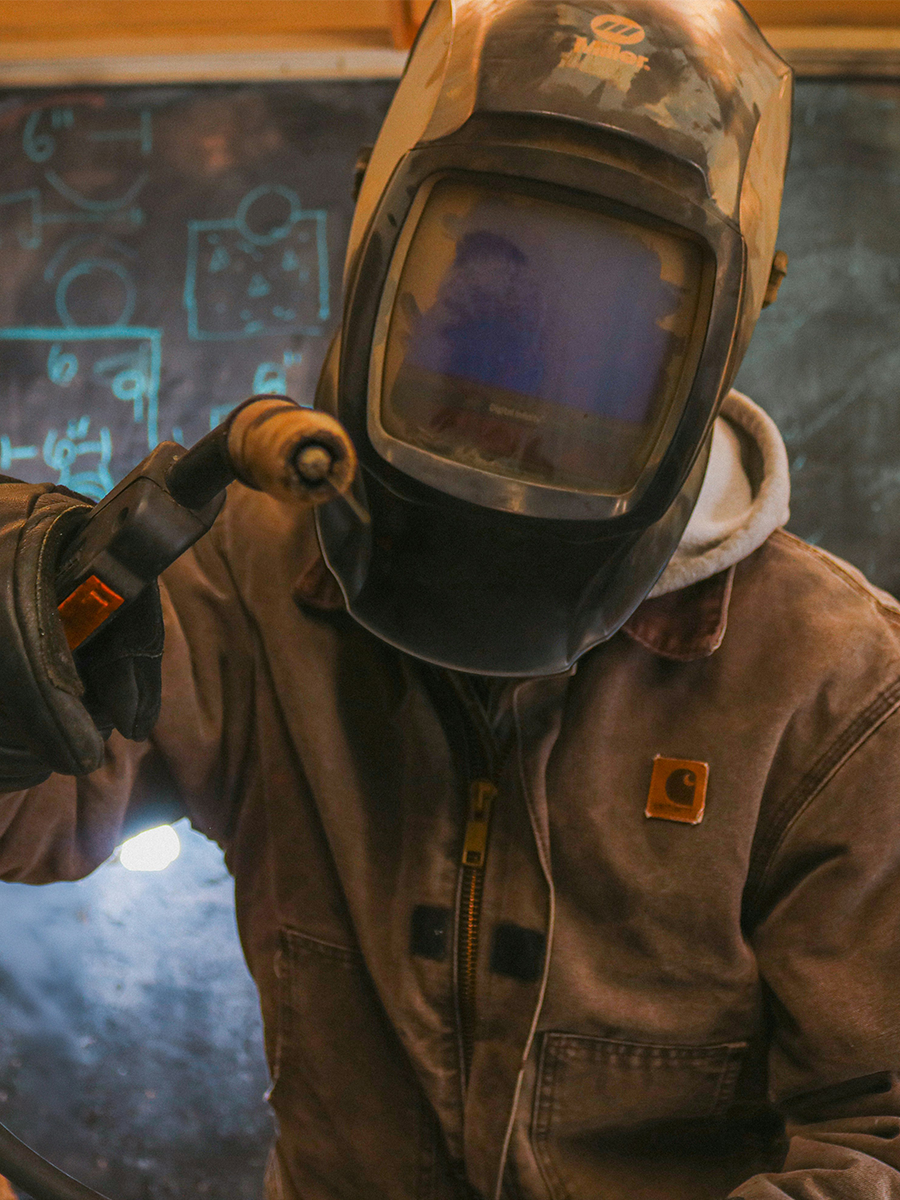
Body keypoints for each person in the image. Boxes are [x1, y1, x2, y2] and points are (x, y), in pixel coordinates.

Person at [1, 3, 900, 1199]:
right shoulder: (257, 578)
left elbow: (881, 1134)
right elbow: (45, 802)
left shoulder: (832, 690)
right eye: (485, 297)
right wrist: (16, 631)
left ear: (707, 331)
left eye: (587, 330)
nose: (511, 391)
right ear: (387, 259)